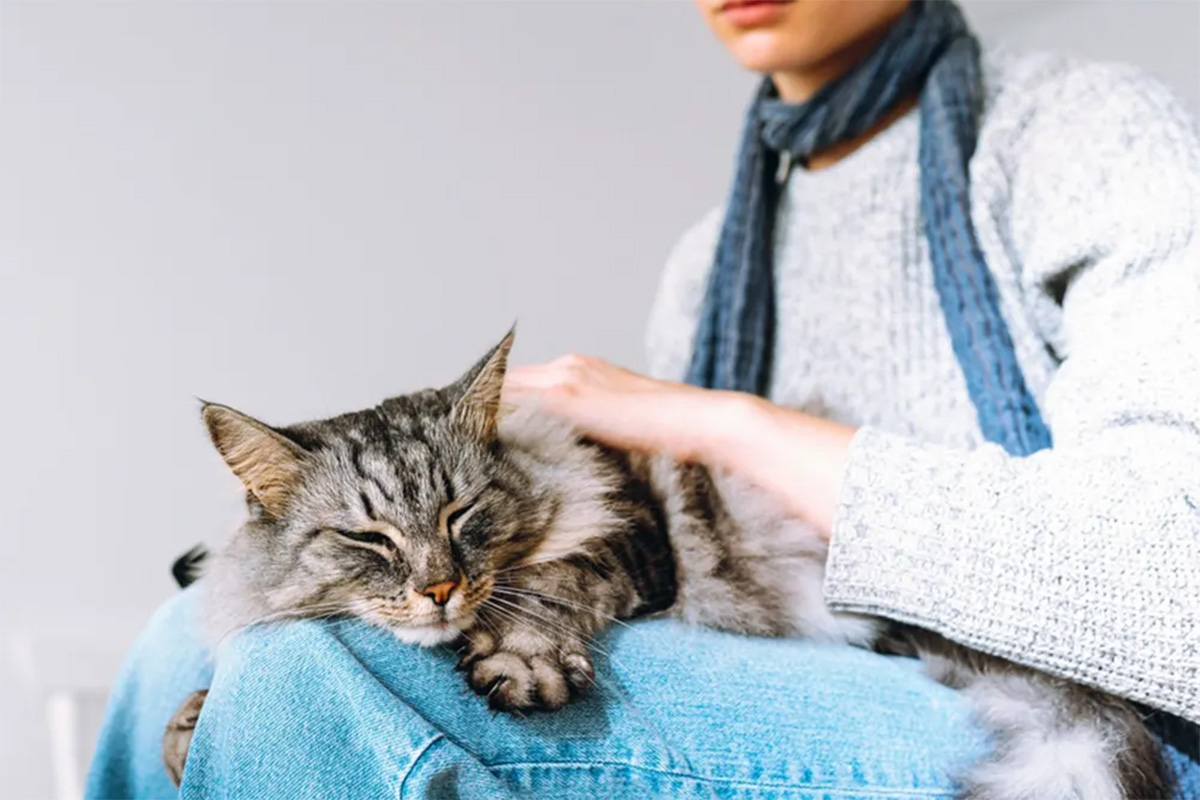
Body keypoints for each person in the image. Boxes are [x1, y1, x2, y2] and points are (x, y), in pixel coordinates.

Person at [87, 1, 1200, 798]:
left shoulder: (1082, 133)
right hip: (816, 662)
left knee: (307, 673)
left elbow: (1181, 585)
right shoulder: (715, 257)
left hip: (1091, 715)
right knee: (171, 645)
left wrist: (725, 422)